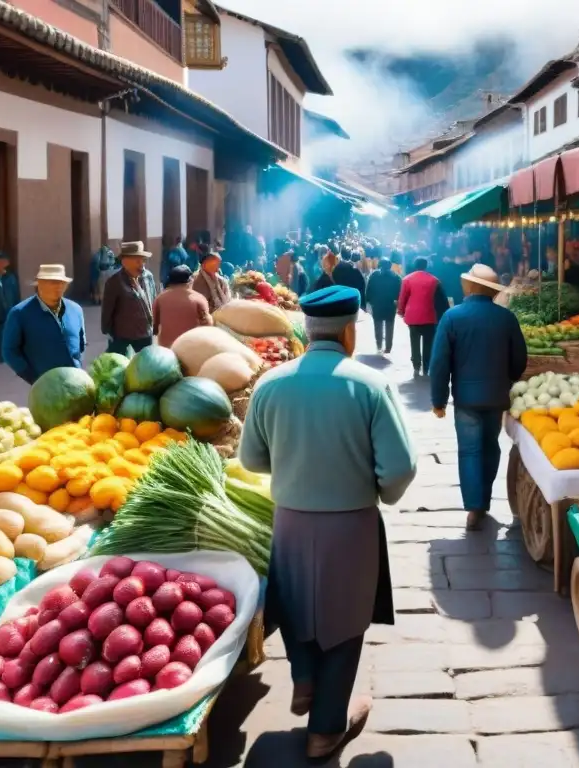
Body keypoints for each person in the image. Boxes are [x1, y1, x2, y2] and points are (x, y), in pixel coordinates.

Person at [239, 285, 416, 760]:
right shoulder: (369, 385)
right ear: (347, 331)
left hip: (292, 521)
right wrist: (380, 493)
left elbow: (252, 460)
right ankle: (325, 728)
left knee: (296, 604)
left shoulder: (270, 383)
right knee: (345, 620)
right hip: (350, 524)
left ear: (307, 330)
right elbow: (399, 469)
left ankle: (303, 680)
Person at [429, 265, 526, 530]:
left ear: (469, 287)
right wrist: (508, 379)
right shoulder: (506, 318)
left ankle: (475, 506)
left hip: (466, 399)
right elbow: (519, 359)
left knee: (470, 450)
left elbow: (439, 364)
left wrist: (438, 400)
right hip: (496, 396)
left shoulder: (452, 317)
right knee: (490, 447)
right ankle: (483, 500)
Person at [2, 264, 86, 384]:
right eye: (53, 282)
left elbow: (81, 345)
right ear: (40, 284)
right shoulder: (20, 313)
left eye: (62, 283)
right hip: (44, 385)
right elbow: (9, 351)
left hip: (75, 382)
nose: (58, 287)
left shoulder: (75, 309)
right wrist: (32, 377)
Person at [102, 241, 158, 355]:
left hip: (146, 335)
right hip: (123, 338)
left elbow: (154, 300)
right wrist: (107, 331)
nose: (141, 264)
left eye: (143, 260)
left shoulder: (148, 276)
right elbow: (107, 311)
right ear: (124, 262)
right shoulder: (114, 282)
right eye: (137, 261)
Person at [398, 256, 441, 377]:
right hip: (429, 315)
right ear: (426, 266)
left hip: (413, 316)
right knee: (428, 342)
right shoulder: (434, 280)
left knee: (414, 341)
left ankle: (416, 365)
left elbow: (403, 298)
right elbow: (438, 300)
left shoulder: (407, 279)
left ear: (415, 265)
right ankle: (426, 367)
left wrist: (401, 311)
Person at [153, 265, 212, 347]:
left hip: (166, 347)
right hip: (189, 346)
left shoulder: (160, 298)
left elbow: (155, 325)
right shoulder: (199, 299)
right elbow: (207, 324)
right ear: (191, 280)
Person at [366, 258, 402, 354]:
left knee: (378, 325)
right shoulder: (396, 276)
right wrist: (397, 301)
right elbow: (400, 291)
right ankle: (388, 347)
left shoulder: (374, 275)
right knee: (390, 326)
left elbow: (368, 289)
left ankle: (379, 345)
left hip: (377, 304)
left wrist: (369, 301)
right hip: (390, 304)